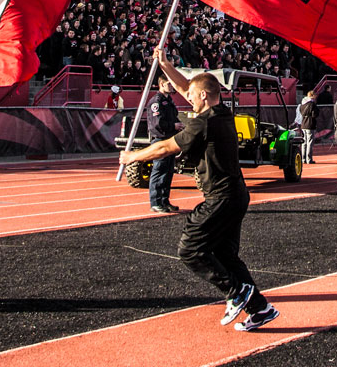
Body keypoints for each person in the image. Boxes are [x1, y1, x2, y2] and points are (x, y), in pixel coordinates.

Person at [118, 46, 279, 332]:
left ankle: (237, 293)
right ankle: (260, 308)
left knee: (190, 249)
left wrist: (132, 157)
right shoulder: (221, 112)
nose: (186, 99)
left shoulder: (203, 124)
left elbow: (166, 147)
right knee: (226, 256)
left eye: (191, 96)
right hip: (235, 195)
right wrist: (165, 64)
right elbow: (187, 87)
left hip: (220, 197)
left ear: (203, 96)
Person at [147, 75, 181, 213]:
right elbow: (157, 124)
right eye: (169, 83)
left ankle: (164, 200)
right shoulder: (157, 101)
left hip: (170, 139)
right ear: (161, 84)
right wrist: (174, 126)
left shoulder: (168, 100)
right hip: (161, 139)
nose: (171, 85)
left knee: (168, 171)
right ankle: (155, 202)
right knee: (159, 170)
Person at [296, 87, 320, 164]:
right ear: (312, 95)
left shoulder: (302, 104)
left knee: (304, 142)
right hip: (310, 124)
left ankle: (303, 159)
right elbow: (314, 114)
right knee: (310, 142)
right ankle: (309, 159)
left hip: (303, 123)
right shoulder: (312, 104)